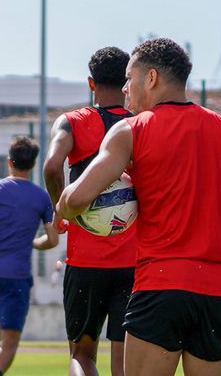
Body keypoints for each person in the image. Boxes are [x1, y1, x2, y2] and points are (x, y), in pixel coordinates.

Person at [59, 38, 221, 376]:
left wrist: (64, 206)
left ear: (150, 78)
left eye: (129, 78)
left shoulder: (130, 130)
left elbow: (75, 200)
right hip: (219, 292)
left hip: (160, 287)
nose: (124, 89)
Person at [41, 46, 136, 376]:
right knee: (123, 360)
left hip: (85, 262)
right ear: (127, 82)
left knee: (81, 356)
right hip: (135, 263)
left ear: (91, 83)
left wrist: (59, 210)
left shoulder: (72, 122)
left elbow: (52, 165)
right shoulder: (140, 125)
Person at [0, 137, 59, 376]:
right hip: (16, 275)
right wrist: (32, 243)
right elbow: (52, 240)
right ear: (32, 165)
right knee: (9, 341)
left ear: (9, 162)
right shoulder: (41, 197)